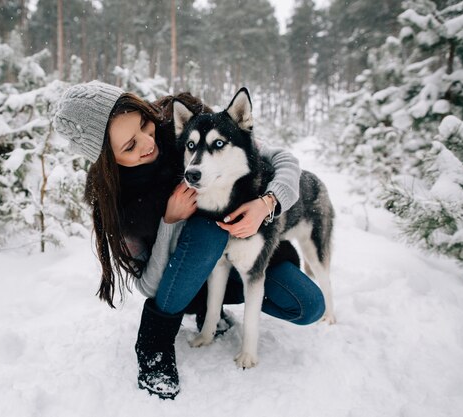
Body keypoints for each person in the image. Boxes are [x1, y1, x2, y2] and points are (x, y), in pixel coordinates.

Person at [53, 81, 325, 400]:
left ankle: (216, 306)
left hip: (246, 249)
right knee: (207, 230)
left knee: (307, 305)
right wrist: (170, 221)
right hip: (183, 280)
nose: (147, 141)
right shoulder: (116, 203)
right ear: (108, 158)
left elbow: (283, 160)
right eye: (129, 146)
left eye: (143, 123)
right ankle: (154, 342)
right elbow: (148, 286)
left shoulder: (182, 122)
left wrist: (268, 202)